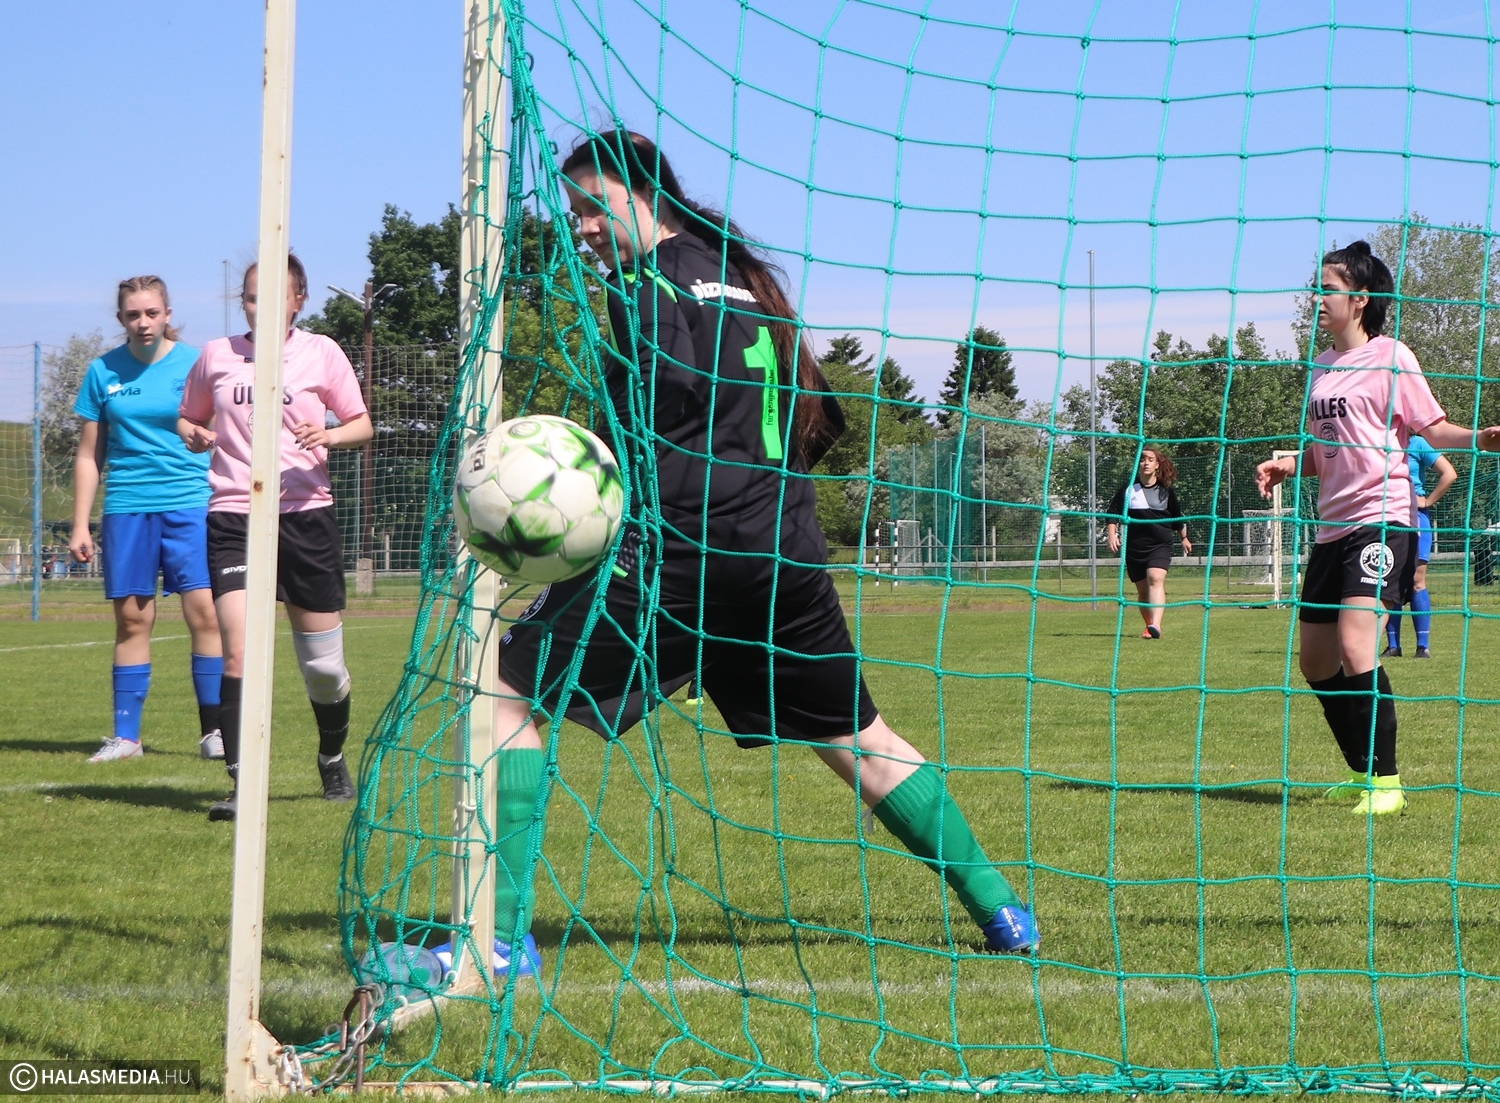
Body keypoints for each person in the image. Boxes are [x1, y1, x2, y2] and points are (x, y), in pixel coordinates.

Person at [481, 129, 1038, 974]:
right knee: (860, 738)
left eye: (594, 206)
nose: (583, 226)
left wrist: (582, 481)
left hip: (681, 557)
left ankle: (500, 938)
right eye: (575, 211)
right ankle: (1002, 909)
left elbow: (663, 398)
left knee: (506, 691)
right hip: (784, 556)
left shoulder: (644, 287)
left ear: (645, 194)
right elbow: (820, 416)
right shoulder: (748, 280)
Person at [1257, 241, 1500, 815]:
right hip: (1332, 527)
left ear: (1361, 299)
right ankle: (1362, 772)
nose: (1318, 299)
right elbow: (1327, 450)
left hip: (1384, 520)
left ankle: (1388, 784)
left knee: (1356, 644)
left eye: (1328, 290)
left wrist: (1481, 438)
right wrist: (1289, 464)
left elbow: (1432, 430)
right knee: (1315, 662)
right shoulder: (1321, 366)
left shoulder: (1393, 356)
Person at [178, 254, 373, 822]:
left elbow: (361, 424)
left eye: (272, 295)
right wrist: (194, 433)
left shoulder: (322, 352)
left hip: (305, 516)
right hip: (235, 516)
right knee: (238, 649)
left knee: (323, 670)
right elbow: (188, 417)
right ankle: (242, 785)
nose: (259, 305)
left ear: (298, 300)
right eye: (250, 296)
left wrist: (330, 436)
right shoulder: (216, 354)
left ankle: (331, 756)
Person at [70, 276, 224, 764]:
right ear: (121, 319)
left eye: (152, 313)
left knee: (206, 614)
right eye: (133, 314)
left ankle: (216, 732)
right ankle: (127, 739)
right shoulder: (102, 371)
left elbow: (220, 428)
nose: (143, 322)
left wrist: (206, 438)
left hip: (191, 503)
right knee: (133, 619)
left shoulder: (199, 362)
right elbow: (89, 455)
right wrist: (80, 524)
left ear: (167, 314)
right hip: (127, 507)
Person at [1105, 446, 1192, 639]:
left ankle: (1156, 625)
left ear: (1157, 465)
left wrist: (1184, 538)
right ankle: (1149, 626)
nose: (1145, 463)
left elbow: (1177, 517)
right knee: (1143, 592)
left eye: (1150, 460)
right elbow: (1113, 513)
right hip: (1135, 547)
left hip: (1160, 545)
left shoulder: (1165, 490)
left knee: (1156, 578)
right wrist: (1112, 534)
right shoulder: (1128, 488)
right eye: (1142, 459)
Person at [1383, 433, 1455, 658]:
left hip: (1415, 517)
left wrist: (1427, 500)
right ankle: (1393, 646)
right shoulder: (1376, 440)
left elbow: (1449, 473)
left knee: (1417, 579)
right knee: (1388, 579)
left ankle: (1422, 646)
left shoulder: (1417, 443)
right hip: (1384, 518)